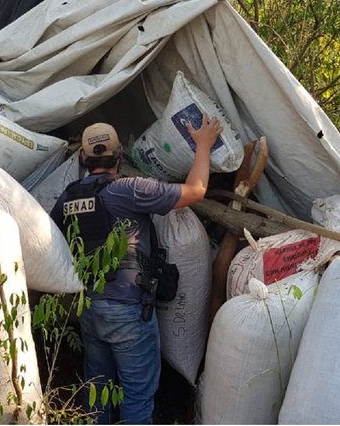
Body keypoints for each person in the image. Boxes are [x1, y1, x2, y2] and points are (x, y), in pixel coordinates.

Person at [50, 114, 222, 424]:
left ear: (83, 158)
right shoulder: (129, 189)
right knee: (137, 397)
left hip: (90, 308)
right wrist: (204, 145)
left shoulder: (68, 198)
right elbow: (195, 190)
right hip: (129, 309)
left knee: (98, 390)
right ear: (120, 155)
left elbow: (53, 241)